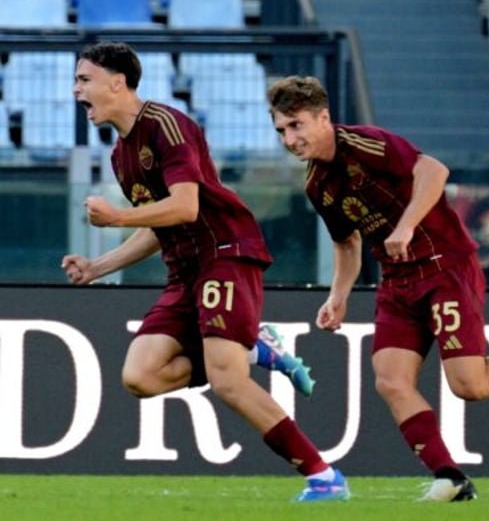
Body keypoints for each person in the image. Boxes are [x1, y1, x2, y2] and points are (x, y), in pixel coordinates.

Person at [265, 75, 489, 502]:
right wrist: (337, 296)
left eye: (296, 125)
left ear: (323, 117)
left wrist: (408, 223)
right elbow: (346, 242)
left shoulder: (364, 144)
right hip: (396, 281)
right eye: (281, 129)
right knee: (390, 381)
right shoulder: (318, 185)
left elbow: (433, 170)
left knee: (470, 386)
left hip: (443, 265)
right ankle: (451, 477)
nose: (289, 138)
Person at [61, 42, 348, 502]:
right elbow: (160, 223)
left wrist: (115, 218)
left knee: (227, 381)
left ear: (117, 83)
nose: (76, 90)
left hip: (224, 254)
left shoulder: (167, 125)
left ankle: (323, 477)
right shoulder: (121, 155)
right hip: (184, 273)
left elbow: (185, 206)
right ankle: (256, 350)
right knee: (140, 376)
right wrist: (99, 266)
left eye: (84, 80)